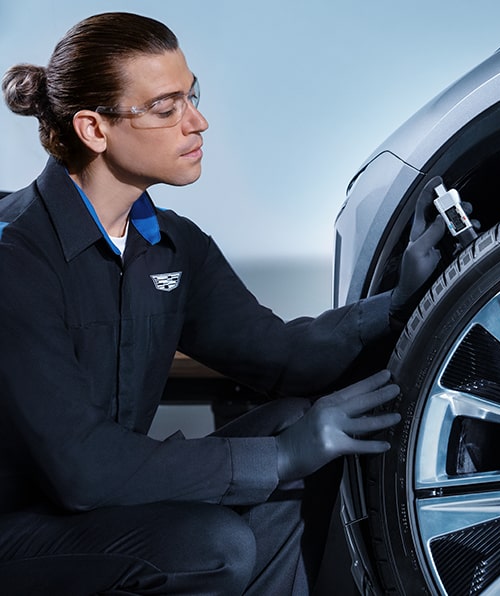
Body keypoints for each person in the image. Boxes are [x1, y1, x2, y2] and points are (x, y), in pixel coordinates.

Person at [0, 12, 445, 596]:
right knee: (212, 545)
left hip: (87, 508)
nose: (198, 122)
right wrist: (283, 455)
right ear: (94, 129)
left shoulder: (173, 247)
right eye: (166, 108)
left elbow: (281, 356)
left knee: (293, 420)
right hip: (18, 527)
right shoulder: (16, 256)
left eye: (192, 96)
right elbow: (84, 468)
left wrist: (397, 302)